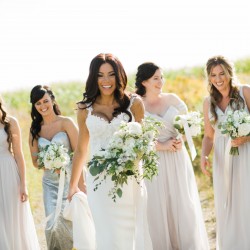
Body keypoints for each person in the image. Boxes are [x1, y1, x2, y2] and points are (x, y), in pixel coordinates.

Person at [68, 53, 152, 250]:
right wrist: (73, 186)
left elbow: (144, 141)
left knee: (130, 234)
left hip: (130, 179)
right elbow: (81, 149)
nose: (106, 80)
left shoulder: (134, 104)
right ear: (93, 78)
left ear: (119, 75)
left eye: (111, 74)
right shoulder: (85, 109)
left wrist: (132, 159)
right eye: (100, 75)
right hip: (99, 183)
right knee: (106, 234)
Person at [135, 62, 210, 250]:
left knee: (182, 201)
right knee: (157, 205)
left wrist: (181, 138)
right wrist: (161, 145)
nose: (161, 81)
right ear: (144, 81)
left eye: (162, 77)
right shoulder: (137, 105)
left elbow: (189, 125)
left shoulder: (172, 99)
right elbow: (136, 137)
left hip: (177, 157)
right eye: (156, 78)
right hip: (154, 159)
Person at [201, 55, 250, 250]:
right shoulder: (208, 102)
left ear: (230, 73)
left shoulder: (245, 92)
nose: (218, 78)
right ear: (209, 77)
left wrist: (246, 137)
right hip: (222, 157)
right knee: (227, 202)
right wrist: (204, 156)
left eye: (222, 73)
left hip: (245, 152)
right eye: (213, 75)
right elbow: (208, 136)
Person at [29, 85, 84, 250]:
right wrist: (49, 160)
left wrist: (78, 183)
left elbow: (78, 152)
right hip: (50, 184)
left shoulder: (66, 123)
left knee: (73, 220)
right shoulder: (35, 130)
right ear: (34, 106)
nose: (43, 106)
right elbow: (35, 162)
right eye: (38, 103)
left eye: (45, 101)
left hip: (70, 179)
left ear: (52, 100)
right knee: (52, 224)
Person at [0, 96, 40, 250]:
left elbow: (19, 154)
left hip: (9, 172)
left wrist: (23, 184)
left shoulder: (10, 122)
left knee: (12, 215)